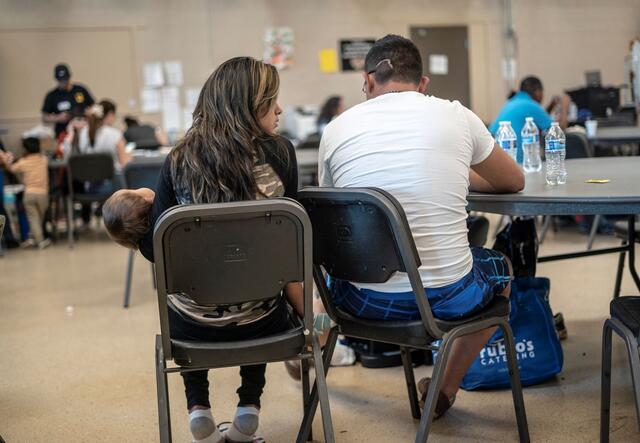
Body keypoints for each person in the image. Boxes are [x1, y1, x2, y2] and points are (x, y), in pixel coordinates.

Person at [318, 34, 524, 419]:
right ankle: (443, 391)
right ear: (424, 83)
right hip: (448, 297)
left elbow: (333, 208)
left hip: (358, 301)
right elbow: (512, 180)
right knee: (503, 271)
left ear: (366, 81)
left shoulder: (335, 130)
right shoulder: (457, 115)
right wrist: (457, 173)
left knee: (320, 291)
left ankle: (313, 342)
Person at [137, 56, 301, 443]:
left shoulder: (177, 160)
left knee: (192, 287)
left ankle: (199, 409)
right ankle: (248, 411)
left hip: (190, 329)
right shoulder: (280, 154)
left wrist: (145, 212)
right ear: (245, 106)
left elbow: (154, 251)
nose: (279, 109)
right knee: (259, 282)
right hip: (264, 324)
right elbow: (294, 245)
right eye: (269, 101)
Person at [489, 76, 570, 163]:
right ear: (538, 92)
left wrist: (551, 105)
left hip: (499, 160)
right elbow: (558, 129)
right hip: (520, 163)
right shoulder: (531, 105)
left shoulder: (513, 101)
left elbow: (538, 120)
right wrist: (565, 106)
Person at [0, 138, 50, 249]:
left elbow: (12, 169)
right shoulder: (44, 160)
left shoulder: (23, 162)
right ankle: (35, 238)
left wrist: (7, 161)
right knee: (39, 218)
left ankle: (38, 240)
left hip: (29, 194)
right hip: (43, 195)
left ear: (25, 150)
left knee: (33, 219)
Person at [64, 99, 131, 177]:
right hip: (113, 182)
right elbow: (125, 164)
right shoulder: (115, 134)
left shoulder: (82, 133)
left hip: (88, 183)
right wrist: (129, 157)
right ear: (110, 114)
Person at [42, 63, 95, 138]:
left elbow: (93, 105)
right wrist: (58, 118)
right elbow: (45, 117)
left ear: (69, 77)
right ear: (57, 79)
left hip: (83, 131)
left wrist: (89, 112)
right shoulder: (52, 96)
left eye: (65, 79)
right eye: (61, 80)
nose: (63, 82)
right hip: (63, 133)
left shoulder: (80, 90)